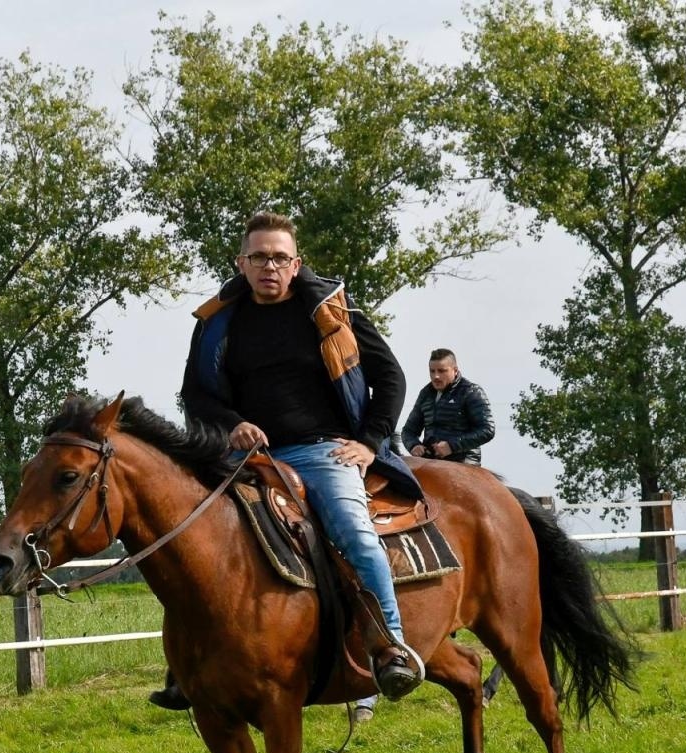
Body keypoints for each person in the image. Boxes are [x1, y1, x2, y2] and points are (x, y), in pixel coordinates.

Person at [151, 210, 423, 710]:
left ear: (296, 264)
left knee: (356, 535)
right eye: (259, 257)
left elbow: (391, 378)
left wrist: (370, 442)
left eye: (279, 258)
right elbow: (195, 395)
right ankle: (187, 663)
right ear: (241, 262)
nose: (269, 266)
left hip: (323, 451)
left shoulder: (331, 312)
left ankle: (391, 649)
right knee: (190, 534)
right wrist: (232, 422)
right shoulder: (217, 323)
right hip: (246, 455)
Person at [352, 348, 501, 721]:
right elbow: (408, 427)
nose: (436, 376)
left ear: (455, 369)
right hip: (430, 464)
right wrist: (415, 445)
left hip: (461, 467)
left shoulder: (472, 393)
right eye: (432, 370)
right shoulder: (425, 394)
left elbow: (488, 429)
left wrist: (455, 445)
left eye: (441, 371)